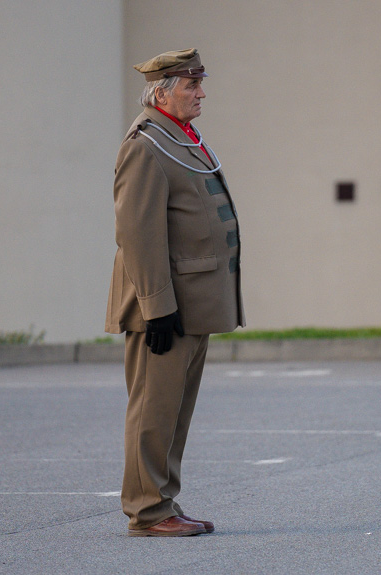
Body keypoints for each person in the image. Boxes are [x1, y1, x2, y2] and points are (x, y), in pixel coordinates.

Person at [105, 48, 245, 536]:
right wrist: (158, 309)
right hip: (163, 307)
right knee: (153, 409)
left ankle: (163, 502)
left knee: (174, 413)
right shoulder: (145, 145)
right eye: (192, 85)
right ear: (162, 91)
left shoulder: (176, 137)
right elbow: (138, 236)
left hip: (190, 303)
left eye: (199, 83)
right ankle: (147, 512)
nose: (201, 92)